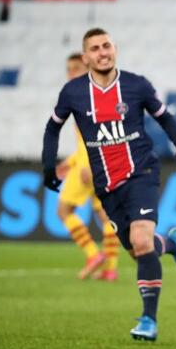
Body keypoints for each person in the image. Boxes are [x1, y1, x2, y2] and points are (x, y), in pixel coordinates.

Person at [41, 28, 176, 341]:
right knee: (140, 250)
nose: (103, 52)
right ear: (86, 57)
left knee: (141, 239)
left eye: (107, 45)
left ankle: (149, 320)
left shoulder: (136, 85)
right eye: (95, 48)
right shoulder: (73, 93)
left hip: (141, 173)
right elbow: (52, 128)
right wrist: (48, 165)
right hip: (106, 185)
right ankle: (170, 244)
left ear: (115, 49)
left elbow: (164, 117)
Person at [55, 53, 120, 281]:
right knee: (106, 216)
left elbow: (99, 136)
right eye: (68, 69)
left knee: (64, 211)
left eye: (76, 68)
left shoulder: (86, 99)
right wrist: (71, 161)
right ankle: (110, 269)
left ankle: (93, 255)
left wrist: (89, 165)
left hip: (89, 167)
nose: (71, 73)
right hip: (102, 165)